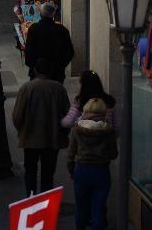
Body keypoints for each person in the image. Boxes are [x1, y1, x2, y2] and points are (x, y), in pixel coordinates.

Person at [12, 58, 71, 197]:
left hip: (30, 138)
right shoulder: (58, 88)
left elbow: (17, 116)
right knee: (48, 174)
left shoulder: (27, 88)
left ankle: (31, 198)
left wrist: (22, 130)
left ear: (35, 71)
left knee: (30, 172)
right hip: (52, 138)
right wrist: (62, 133)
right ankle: (45, 202)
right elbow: (67, 114)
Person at [67, 97, 117, 230]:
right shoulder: (108, 130)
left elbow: (71, 152)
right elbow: (114, 154)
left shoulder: (77, 129)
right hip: (101, 170)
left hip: (81, 169)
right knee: (98, 208)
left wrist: (71, 169)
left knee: (81, 206)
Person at [23, 2, 74, 83]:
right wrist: (60, 66)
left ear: (40, 14)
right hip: (56, 74)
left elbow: (29, 51)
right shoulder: (61, 30)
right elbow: (70, 52)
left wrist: (34, 66)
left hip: (37, 73)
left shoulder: (33, 29)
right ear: (53, 14)